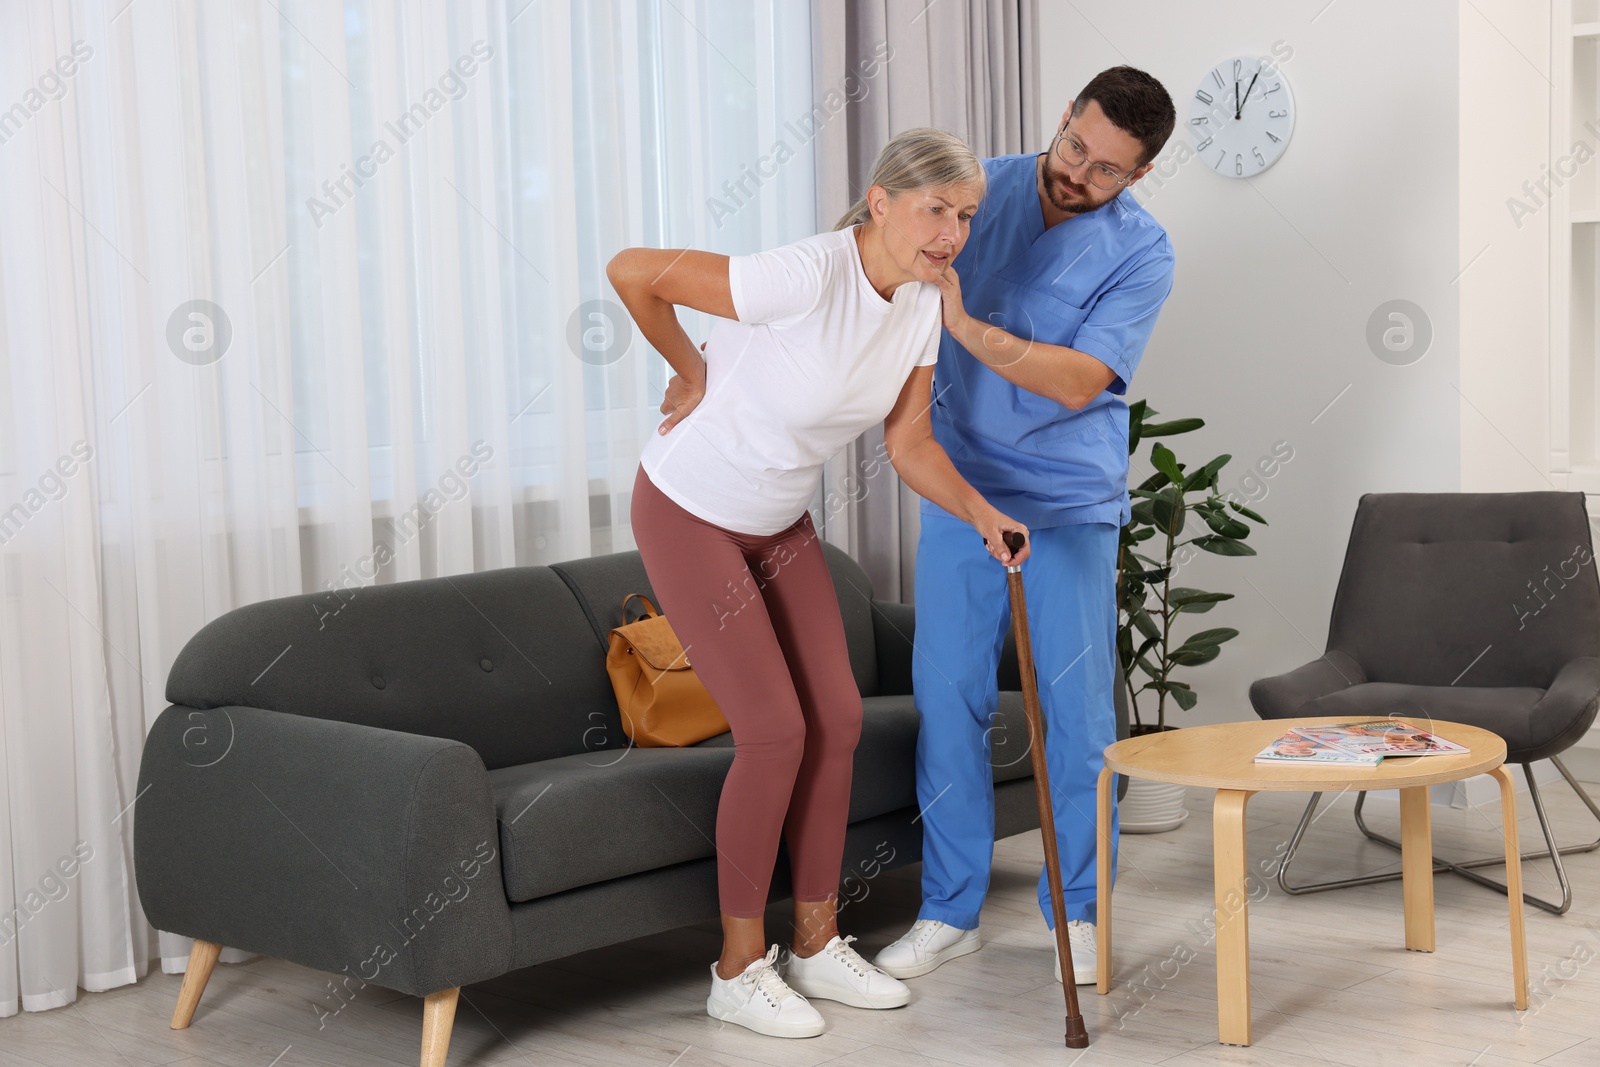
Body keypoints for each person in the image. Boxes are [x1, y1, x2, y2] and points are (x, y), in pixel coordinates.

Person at [608, 128, 1029, 1040]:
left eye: (966, 216)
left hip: (778, 522)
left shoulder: (922, 302)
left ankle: (816, 940)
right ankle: (735, 967)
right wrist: (689, 367)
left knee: (835, 718)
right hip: (688, 508)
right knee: (773, 731)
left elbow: (909, 443)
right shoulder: (804, 274)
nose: (952, 232)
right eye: (936, 210)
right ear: (881, 200)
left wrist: (980, 509)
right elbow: (633, 267)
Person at [874, 67, 1178, 987]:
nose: (1077, 170)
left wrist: (968, 327)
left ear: (1140, 177)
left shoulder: (1143, 253)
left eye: (1106, 169)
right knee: (948, 698)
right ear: (1063, 119)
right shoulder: (980, 190)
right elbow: (873, 260)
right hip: (961, 492)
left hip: (1065, 503)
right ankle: (948, 909)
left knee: (1074, 714)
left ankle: (1081, 912)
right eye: (1074, 144)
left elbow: (1081, 380)